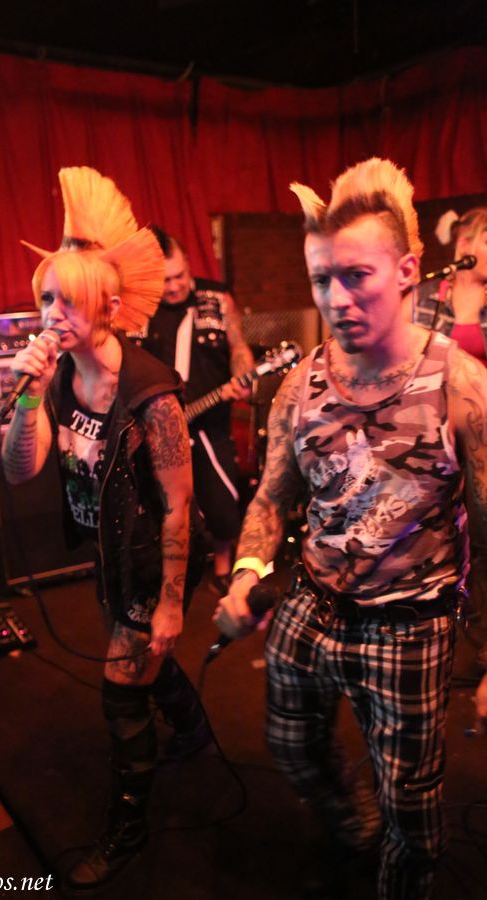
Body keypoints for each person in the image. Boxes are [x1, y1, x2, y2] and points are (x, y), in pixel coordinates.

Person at [214, 157, 487, 899]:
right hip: (313, 602)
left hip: (410, 626)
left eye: (357, 276)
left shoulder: (459, 385)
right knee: (290, 748)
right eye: (321, 280)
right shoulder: (299, 385)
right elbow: (270, 498)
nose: (337, 298)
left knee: (413, 810)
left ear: (406, 271)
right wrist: (246, 573)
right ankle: (353, 828)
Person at [2, 167, 209, 889]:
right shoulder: (59, 378)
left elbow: (179, 504)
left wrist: (172, 602)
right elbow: (20, 470)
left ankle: (128, 828)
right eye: (46, 297)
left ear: (111, 307)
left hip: (155, 556)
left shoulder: (151, 395)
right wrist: (29, 395)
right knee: (146, 659)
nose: (52, 313)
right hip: (110, 552)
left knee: (121, 692)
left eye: (69, 299)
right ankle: (193, 728)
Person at [129, 226, 255, 594]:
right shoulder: (141, 307)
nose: (173, 286)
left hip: (210, 421)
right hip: (157, 425)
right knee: (165, 504)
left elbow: (238, 346)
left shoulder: (216, 298)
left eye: (179, 276)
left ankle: (222, 566)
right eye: (165, 279)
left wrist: (243, 373)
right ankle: (169, 572)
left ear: (189, 265)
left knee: (222, 501)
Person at [414, 207, 487, 671]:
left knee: (482, 532)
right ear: (464, 246)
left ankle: (481, 641)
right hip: (434, 432)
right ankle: (443, 635)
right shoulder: (427, 296)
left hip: (482, 434)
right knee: (440, 532)